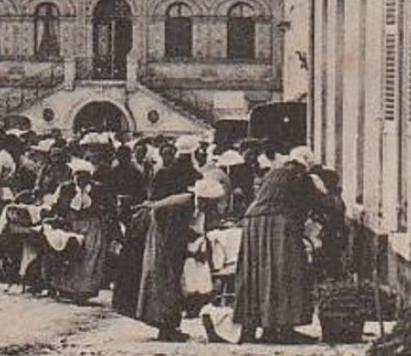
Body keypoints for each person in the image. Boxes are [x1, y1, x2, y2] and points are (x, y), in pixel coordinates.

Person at [233, 146, 318, 345]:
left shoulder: (273, 172)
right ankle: (284, 327)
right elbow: (304, 206)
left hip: (253, 223)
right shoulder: (299, 176)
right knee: (284, 272)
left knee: (256, 275)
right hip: (277, 223)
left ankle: (257, 325)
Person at [135, 177, 227, 342]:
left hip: (169, 236)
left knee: (172, 283)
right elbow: (173, 238)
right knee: (165, 282)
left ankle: (171, 326)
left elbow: (188, 230)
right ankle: (166, 328)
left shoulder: (194, 205)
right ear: (205, 200)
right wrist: (186, 254)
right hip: (161, 237)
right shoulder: (180, 207)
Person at [48, 158, 116, 304]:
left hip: (93, 225)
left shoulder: (99, 189)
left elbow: (110, 208)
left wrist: (102, 215)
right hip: (72, 223)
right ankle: (68, 288)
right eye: (77, 176)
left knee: (90, 257)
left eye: (83, 176)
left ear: (89, 177)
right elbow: (57, 206)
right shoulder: (66, 188)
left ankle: (84, 291)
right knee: (72, 255)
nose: (80, 179)